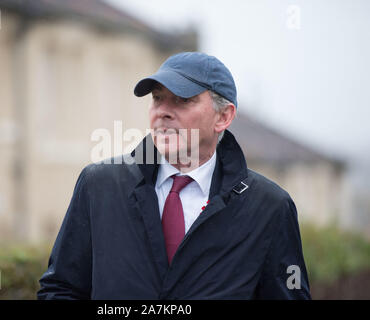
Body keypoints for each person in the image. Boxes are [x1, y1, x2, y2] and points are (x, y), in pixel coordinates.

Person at [37, 52, 311, 299]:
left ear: (223, 117)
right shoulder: (98, 186)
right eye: (157, 98)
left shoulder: (270, 207)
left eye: (182, 100)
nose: (163, 112)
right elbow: (61, 289)